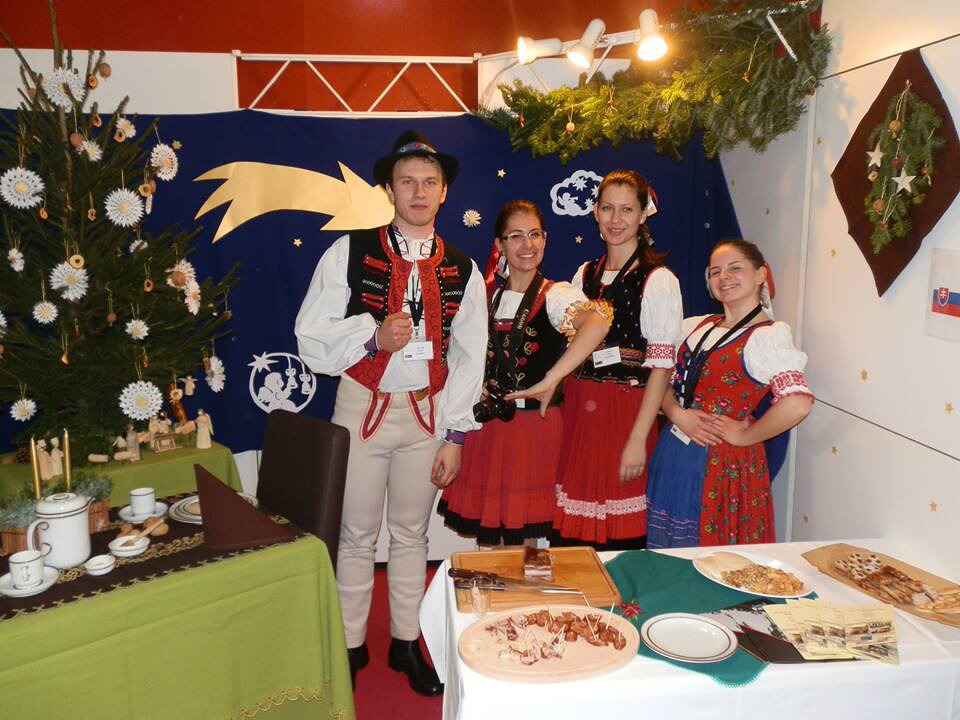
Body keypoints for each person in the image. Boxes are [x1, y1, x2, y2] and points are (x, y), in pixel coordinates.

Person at [295, 130, 486, 696]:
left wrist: (455, 434)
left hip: (427, 416)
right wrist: (371, 336)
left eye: (429, 182)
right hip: (362, 409)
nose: (419, 192)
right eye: (408, 182)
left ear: (444, 191)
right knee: (355, 534)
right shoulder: (350, 252)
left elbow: (470, 355)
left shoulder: (462, 268)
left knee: (411, 534)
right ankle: (350, 644)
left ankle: (406, 642)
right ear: (390, 190)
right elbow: (311, 333)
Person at [438, 200, 611, 545]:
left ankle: (524, 584)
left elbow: (597, 324)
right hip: (488, 428)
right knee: (491, 538)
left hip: (533, 429)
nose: (527, 244)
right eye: (515, 236)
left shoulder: (556, 294)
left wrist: (553, 378)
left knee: (524, 540)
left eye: (534, 234)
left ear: (545, 239)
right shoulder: (487, 296)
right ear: (499, 245)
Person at [645, 239, 813, 547]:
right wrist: (676, 413)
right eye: (715, 272)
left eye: (735, 268)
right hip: (675, 450)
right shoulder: (695, 326)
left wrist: (745, 435)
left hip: (723, 462)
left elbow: (798, 403)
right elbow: (661, 379)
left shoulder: (767, 337)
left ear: (760, 274)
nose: (724, 277)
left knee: (711, 553)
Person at [553, 170, 683, 549]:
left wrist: (638, 439)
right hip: (579, 408)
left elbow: (661, 368)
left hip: (625, 412)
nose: (616, 219)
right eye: (608, 208)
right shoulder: (584, 274)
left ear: (643, 214)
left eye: (627, 210)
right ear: (595, 212)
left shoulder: (657, 280)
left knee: (619, 537)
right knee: (571, 537)